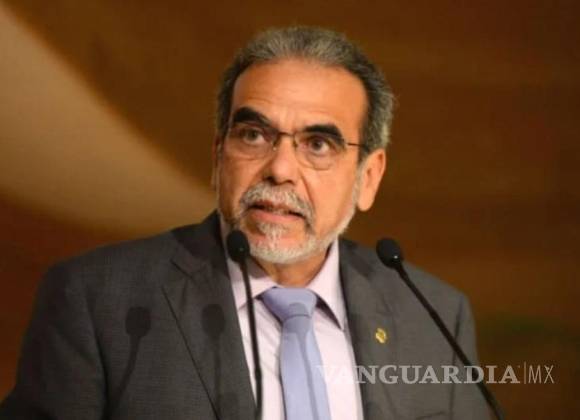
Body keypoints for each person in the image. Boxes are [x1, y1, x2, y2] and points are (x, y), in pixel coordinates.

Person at [0, 27, 489, 420]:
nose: (280, 169)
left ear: (368, 178)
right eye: (253, 135)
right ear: (219, 156)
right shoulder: (97, 301)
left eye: (318, 145)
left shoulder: (434, 316)